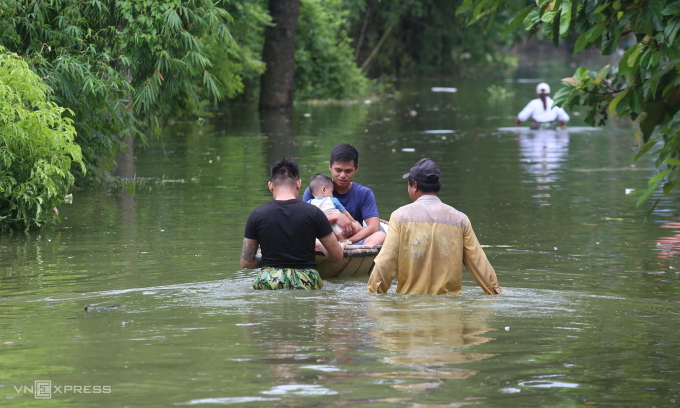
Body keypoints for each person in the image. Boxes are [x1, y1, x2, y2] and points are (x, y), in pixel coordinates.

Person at [366, 158, 503, 295]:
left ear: (414, 185)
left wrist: (372, 294)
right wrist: (496, 292)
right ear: (437, 185)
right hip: (451, 312)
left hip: (410, 311)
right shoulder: (460, 219)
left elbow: (386, 262)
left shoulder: (400, 217)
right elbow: (479, 263)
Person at [241, 158, 343, 290]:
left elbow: (246, 262)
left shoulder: (257, 215)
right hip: (305, 281)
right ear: (299, 184)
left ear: (270, 186)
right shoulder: (315, 213)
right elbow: (337, 255)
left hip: (269, 281)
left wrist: (266, 261)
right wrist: (318, 244)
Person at [302, 144, 385, 245]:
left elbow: (374, 226)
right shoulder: (314, 190)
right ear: (330, 166)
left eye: (348, 171)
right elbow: (304, 223)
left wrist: (347, 241)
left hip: (354, 241)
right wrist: (336, 217)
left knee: (380, 235)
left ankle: (355, 259)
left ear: (356, 169)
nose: (342, 175)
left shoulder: (364, 193)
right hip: (324, 243)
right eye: (338, 170)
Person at [307, 173, 359, 241]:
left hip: (322, 233)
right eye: (331, 192)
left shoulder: (309, 203)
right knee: (358, 226)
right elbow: (345, 212)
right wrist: (353, 221)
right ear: (323, 189)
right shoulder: (332, 200)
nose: (332, 194)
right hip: (339, 230)